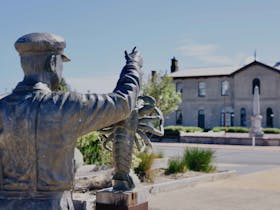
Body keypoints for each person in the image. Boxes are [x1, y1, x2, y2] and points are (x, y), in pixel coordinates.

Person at [0, 33, 142, 210]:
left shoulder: (2, 108)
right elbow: (122, 103)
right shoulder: (66, 105)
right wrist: (133, 66)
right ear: (52, 63)